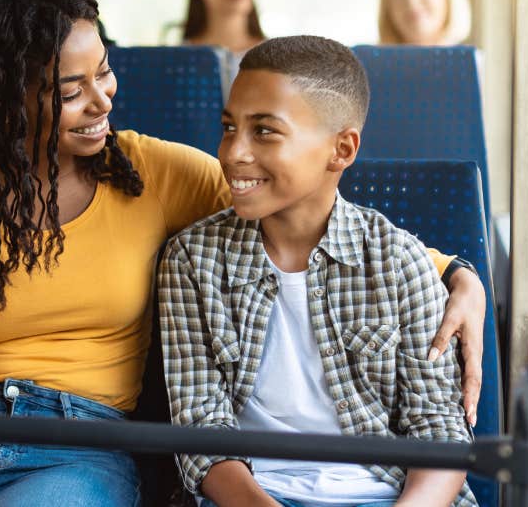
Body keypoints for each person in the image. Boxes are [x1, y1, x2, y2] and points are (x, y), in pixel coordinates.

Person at [0, 0, 486, 507]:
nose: (103, 100)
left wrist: (458, 272)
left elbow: (303, 213)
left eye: (104, 71)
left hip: (77, 443)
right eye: (72, 89)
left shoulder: (151, 174)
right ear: (1, 101)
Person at [158, 36, 475, 507]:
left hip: (389, 494)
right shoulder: (191, 260)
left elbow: (439, 430)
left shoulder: (399, 261)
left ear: (341, 150)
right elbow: (203, 432)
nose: (233, 152)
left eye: (264, 131)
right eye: (229, 127)